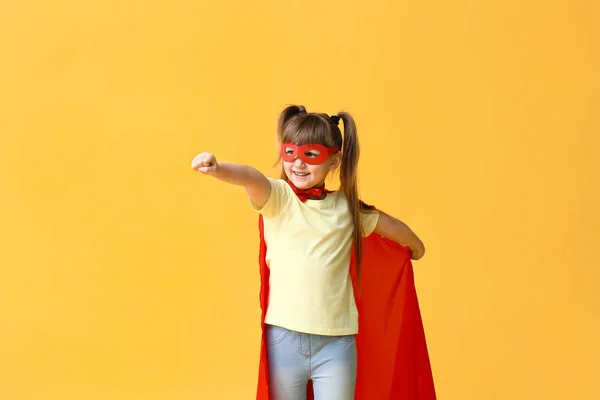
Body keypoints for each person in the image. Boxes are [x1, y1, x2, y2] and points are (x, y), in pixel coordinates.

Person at [191, 105, 428, 400]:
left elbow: (389, 225)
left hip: (336, 344)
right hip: (284, 340)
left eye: (310, 155)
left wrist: (416, 246)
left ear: (334, 160)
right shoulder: (278, 198)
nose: (298, 165)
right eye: (290, 154)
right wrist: (218, 168)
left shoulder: (347, 209)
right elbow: (251, 178)